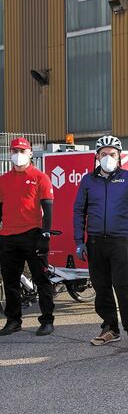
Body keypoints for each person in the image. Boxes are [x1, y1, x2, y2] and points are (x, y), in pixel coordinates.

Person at [73, 135, 128, 348]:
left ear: (119, 156)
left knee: (123, 286)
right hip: (95, 242)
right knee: (101, 286)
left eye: (112, 154)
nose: (107, 157)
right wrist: (79, 241)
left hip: (119, 241)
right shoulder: (88, 180)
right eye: (103, 154)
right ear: (96, 156)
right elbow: (79, 211)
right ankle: (110, 329)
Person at [0, 137, 55, 336]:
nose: (18, 155)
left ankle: (47, 320)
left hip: (32, 235)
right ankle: (13, 320)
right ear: (10, 153)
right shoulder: (4, 180)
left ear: (30, 153)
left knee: (41, 279)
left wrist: (45, 235)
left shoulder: (41, 177)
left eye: (22, 151)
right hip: (7, 237)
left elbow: (48, 209)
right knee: (10, 281)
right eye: (15, 150)